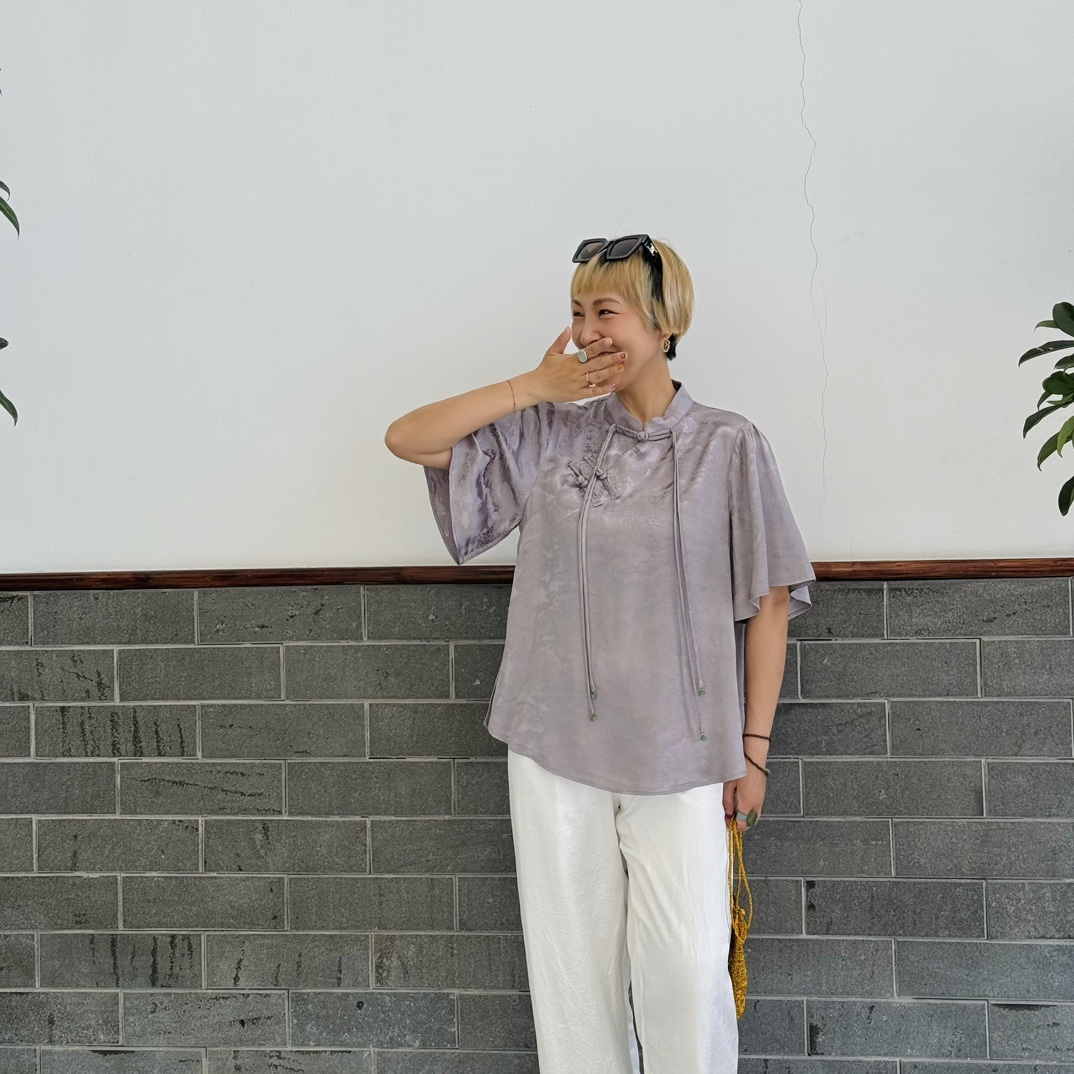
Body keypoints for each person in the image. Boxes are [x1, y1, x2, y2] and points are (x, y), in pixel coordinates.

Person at [384, 234, 815, 1074]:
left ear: (663, 321)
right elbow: (407, 437)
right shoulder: (550, 434)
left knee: (688, 978)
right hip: (554, 745)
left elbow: (769, 602)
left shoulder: (729, 444)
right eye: (578, 312)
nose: (587, 332)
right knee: (574, 987)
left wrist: (755, 749)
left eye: (605, 311)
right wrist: (529, 388)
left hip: (684, 750)